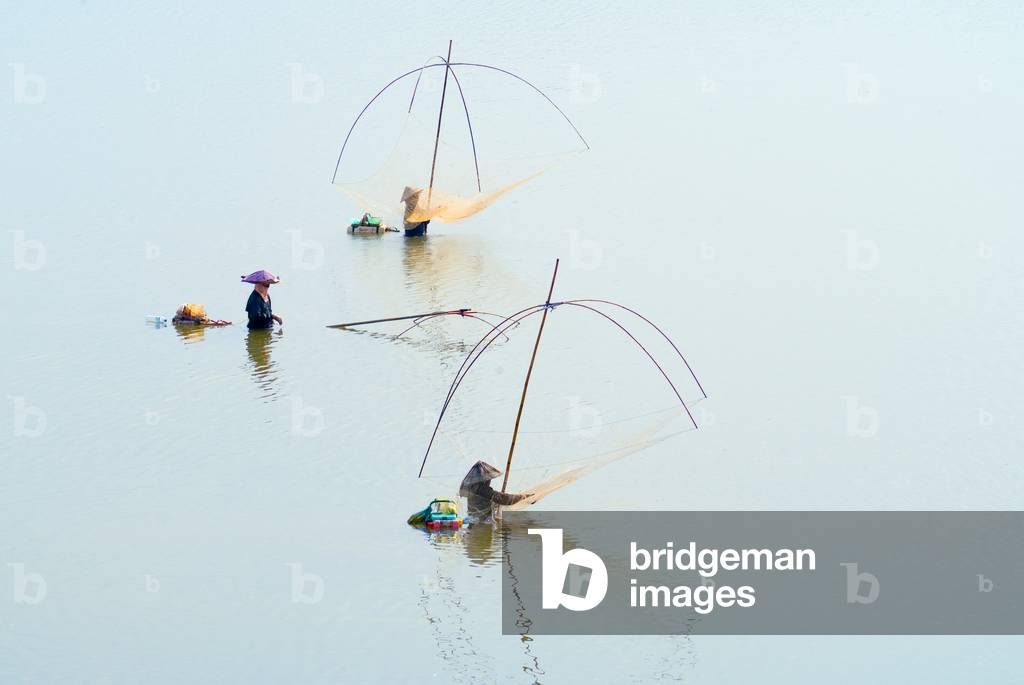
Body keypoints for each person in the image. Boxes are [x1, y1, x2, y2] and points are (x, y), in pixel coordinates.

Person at [459, 461, 531, 522]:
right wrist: (523, 497)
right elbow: (503, 499)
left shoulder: (472, 489)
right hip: (483, 524)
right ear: (484, 479)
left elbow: (488, 502)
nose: (489, 480)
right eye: (488, 478)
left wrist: (497, 504)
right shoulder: (482, 490)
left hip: (473, 522)